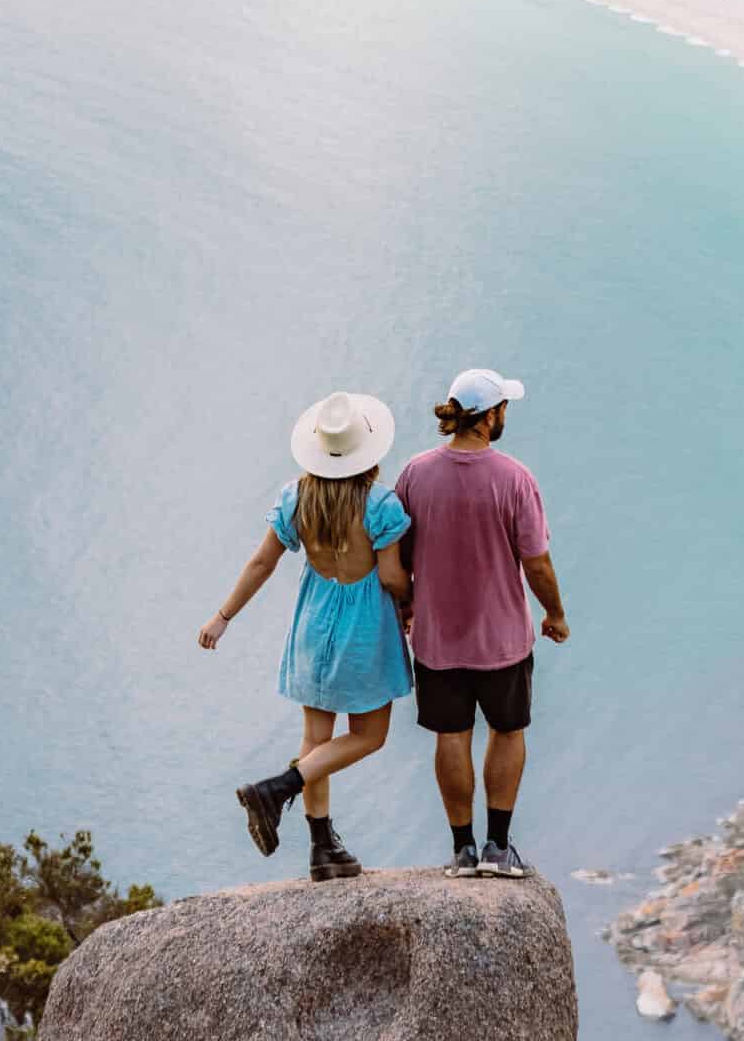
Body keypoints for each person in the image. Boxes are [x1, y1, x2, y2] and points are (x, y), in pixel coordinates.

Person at [200, 389, 413, 882]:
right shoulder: (379, 505)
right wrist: (413, 601)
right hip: (364, 634)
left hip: (313, 629)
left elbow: (262, 562)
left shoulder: (296, 498)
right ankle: (278, 787)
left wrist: (222, 616)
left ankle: (321, 849)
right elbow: (390, 578)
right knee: (369, 736)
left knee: (316, 738)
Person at [395, 365, 568, 881]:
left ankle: (462, 851)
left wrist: (407, 608)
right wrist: (555, 613)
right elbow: (535, 561)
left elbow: (399, 554)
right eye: (504, 407)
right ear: (490, 415)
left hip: (435, 638)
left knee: (451, 735)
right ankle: (498, 846)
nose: (506, 414)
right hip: (503, 640)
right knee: (508, 730)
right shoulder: (515, 479)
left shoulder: (415, 474)